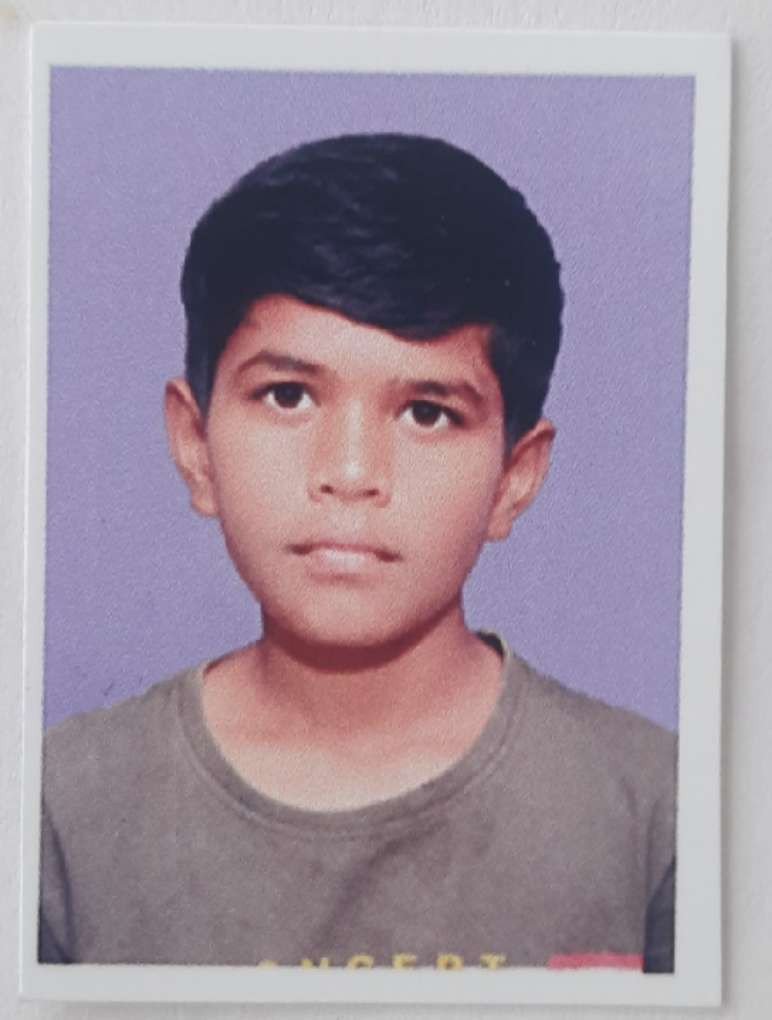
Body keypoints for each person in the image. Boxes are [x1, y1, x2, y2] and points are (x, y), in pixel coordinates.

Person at [38, 133, 676, 971]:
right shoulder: (57, 811)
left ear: (514, 478)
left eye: (427, 414)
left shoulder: (658, 816)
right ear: (195, 446)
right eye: (288, 395)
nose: (348, 473)